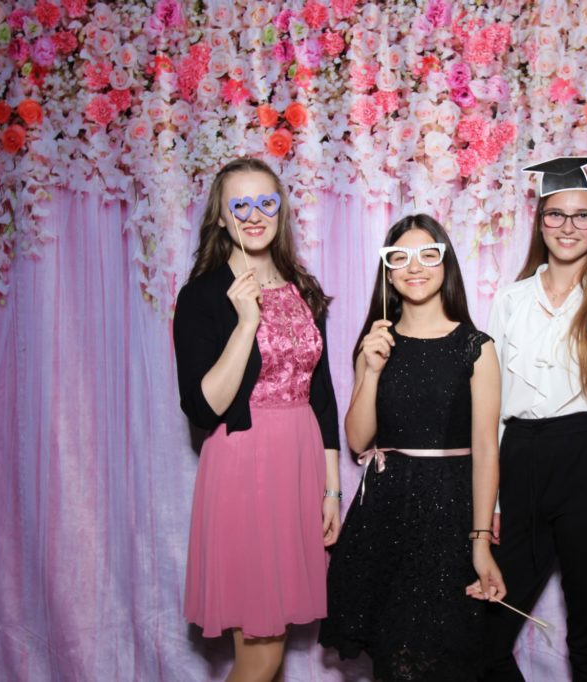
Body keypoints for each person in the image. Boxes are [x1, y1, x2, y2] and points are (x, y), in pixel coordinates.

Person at [172, 157, 341, 682]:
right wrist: (246, 323)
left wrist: (331, 491)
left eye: (265, 202)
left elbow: (322, 395)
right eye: (239, 205)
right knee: (262, 652)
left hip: (299, 466)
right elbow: (202, 407)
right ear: (222, 218)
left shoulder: (302, 286)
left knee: (273, 644)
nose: (254, 215)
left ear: (281, 210)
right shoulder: (202, 294)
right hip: (246, 468)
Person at [481, 157, 587, 682]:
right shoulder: (511, 299)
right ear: (540, 221)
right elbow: (492, 403)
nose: (568, 227)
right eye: (556, 215)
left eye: (583, 216)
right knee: (483, 634)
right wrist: (494, 501)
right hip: (521, 457)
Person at [319, 214, 507, 681]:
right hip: (387, 511)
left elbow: (486, 450)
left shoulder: (476, 347)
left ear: (446, 264)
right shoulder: (376, 343)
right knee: (394, 656)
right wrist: (372, 369)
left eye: (428, 254)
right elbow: (358, 440)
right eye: (399, 257)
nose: (414, 266)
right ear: (388, 271)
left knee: (451, 652)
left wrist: (480, 541)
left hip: (450, 512)